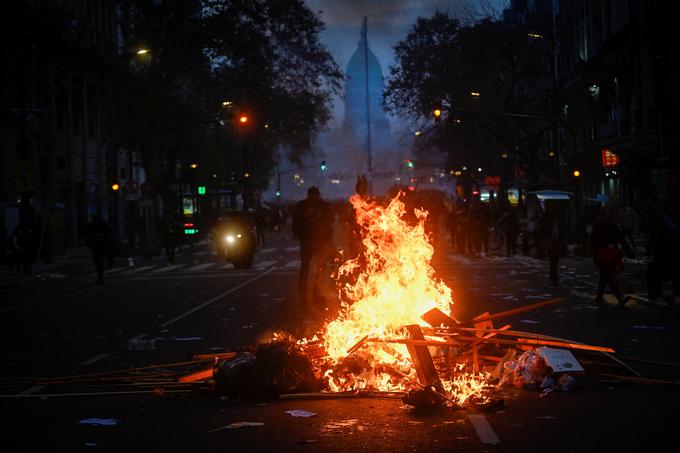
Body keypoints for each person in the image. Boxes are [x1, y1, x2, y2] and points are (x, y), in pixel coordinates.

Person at [292, 186, 334, 312]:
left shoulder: (323, 206)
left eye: (316, 196)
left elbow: (330, 220)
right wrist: (300, 234)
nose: (314, 199)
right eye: (312, 196)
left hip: (320, 241)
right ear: (309, 196)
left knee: (319, 268)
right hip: (306, 241)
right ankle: (303, 296)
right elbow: (296, 222)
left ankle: (317, 293)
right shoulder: (302, 206)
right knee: (305, 269)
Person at [643, 199, 680, 307]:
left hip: (664, 248)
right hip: (662, 248)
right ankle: (659, 295)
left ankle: (659, 295)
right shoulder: (660, 219)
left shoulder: (662, 218)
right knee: (659, 272)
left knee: (659, 272)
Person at [591, 206, 630, 306]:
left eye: (608, 213)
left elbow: (621, 239)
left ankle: (600, 296)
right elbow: (594, 242)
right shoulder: (598, 227)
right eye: (604, 213)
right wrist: (601, 250)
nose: (606, 216)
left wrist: (629, 250)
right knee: (608, 273)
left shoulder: (614, 227)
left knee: (606, 275)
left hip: (613, 255)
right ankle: (619, 297)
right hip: (602, 255)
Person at [538, 201, 563, 286]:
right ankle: (553, 277)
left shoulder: (554, 216)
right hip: (551, 240)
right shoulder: (547, 217)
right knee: (553, 260)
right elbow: (543, 228)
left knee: (554, 260)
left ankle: (554, 277)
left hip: (555, 240)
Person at [85, 214, 112, 284]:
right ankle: (101, 276)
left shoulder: (93, 225)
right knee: (100, 261)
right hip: (100, 245)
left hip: (98, 246)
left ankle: (100, 276)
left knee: (98, 261)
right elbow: (108, 234)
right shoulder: (101, 224)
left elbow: (86, 234)